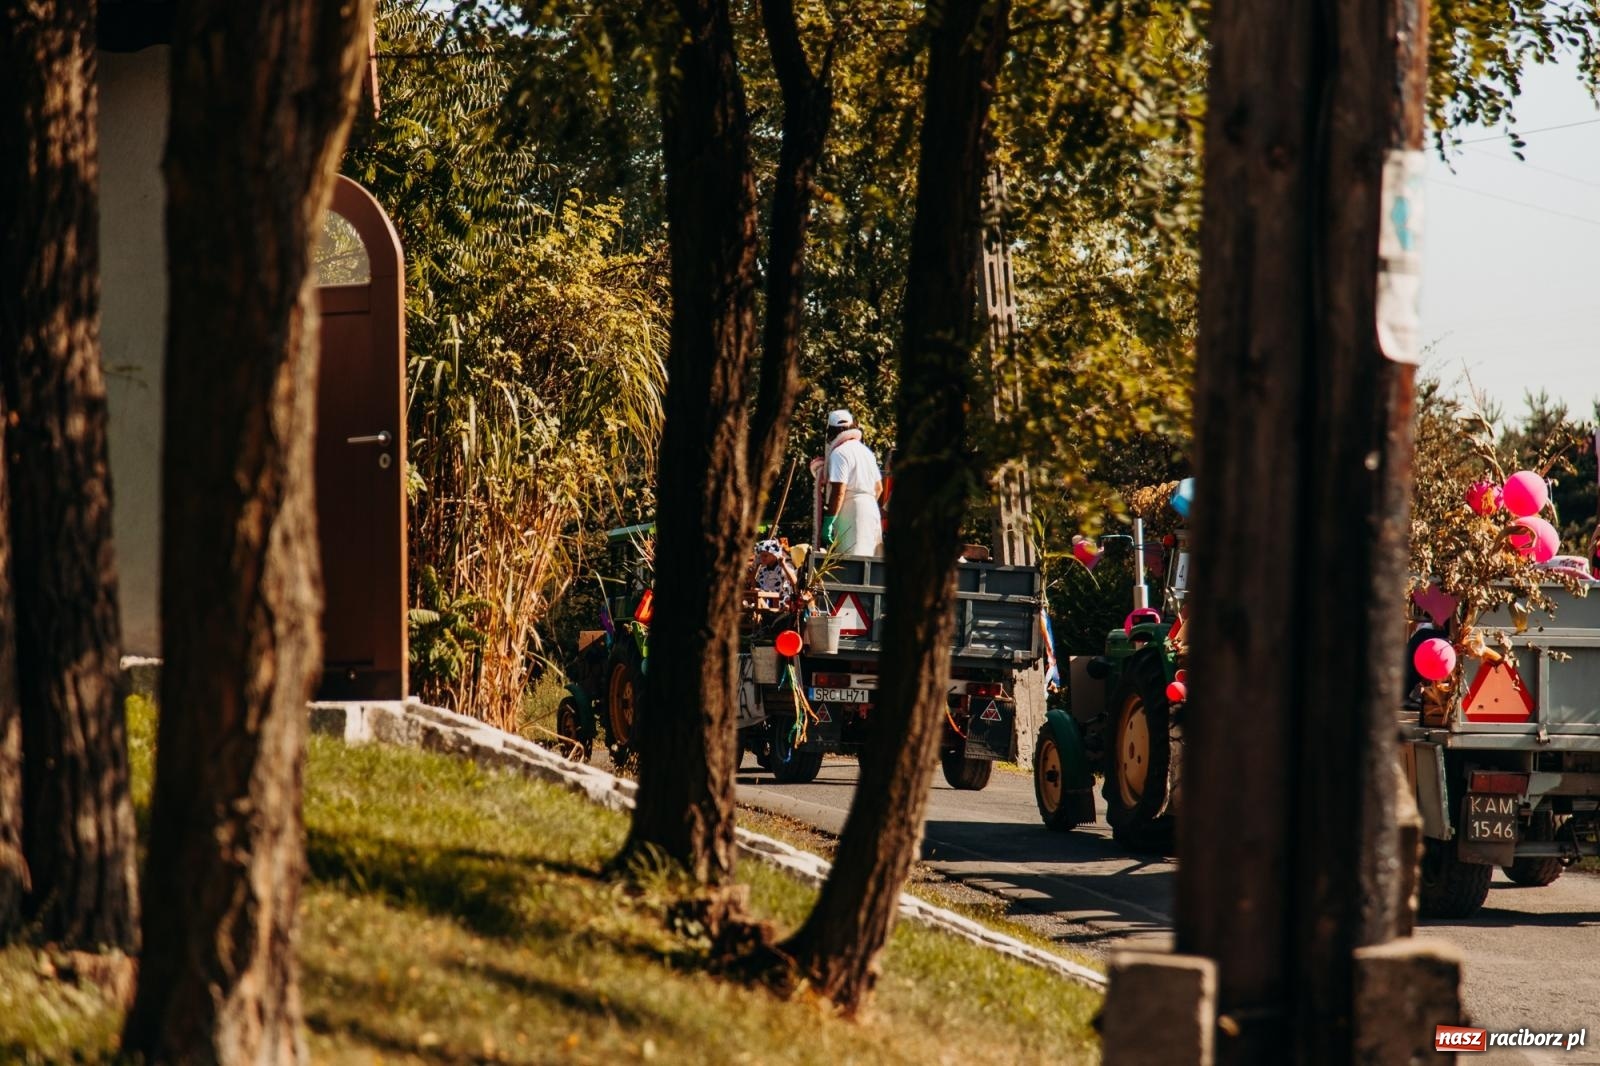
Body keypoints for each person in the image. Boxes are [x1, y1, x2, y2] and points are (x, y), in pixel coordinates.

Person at [822, 409, 883, 556]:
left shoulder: (839, 452)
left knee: (851, 561)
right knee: (870, 562)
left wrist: (829, 520)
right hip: (871, 508)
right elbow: (879, 488)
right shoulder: (866, 452)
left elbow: (839, 490)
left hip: (852, 511)